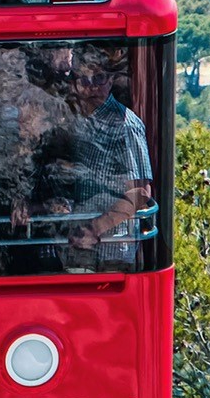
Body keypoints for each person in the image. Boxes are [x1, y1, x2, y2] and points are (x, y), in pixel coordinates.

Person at [12, 44, 154, 271]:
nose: (92, 88)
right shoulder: (78, 120)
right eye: (84, 80)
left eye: (99, 78)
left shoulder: (123, 124)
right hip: (78, 246)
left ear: (110, 80)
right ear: (74, 82)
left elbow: (140, 193)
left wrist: (96, 229)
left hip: (111, 250)